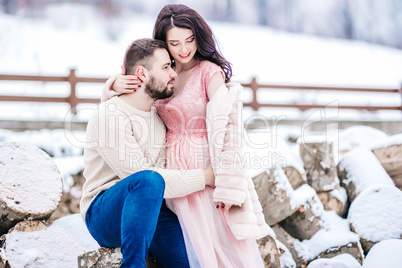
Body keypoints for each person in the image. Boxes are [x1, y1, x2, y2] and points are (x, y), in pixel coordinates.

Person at [102, 4, 271, 267]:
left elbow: (228, 127)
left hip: (204, 164)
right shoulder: (162, 75)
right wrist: (112, 84)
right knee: (189, 245)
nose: (183, 49)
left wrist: (226, 181)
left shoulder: (207, 72)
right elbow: (123, 107)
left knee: (218, 245)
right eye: (175, 43)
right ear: (163, 42)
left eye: (189, 40)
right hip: (172, 169)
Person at [80, 38, 216, 268]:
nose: (173, 73)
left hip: (153, 208)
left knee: (191, 262)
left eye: (172, 66)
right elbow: (143, 175)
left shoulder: (157, 114)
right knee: (148, 179)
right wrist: (205, 177)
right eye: (166, 67)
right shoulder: (110, 115)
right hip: (105, 212)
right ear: (142, 74)